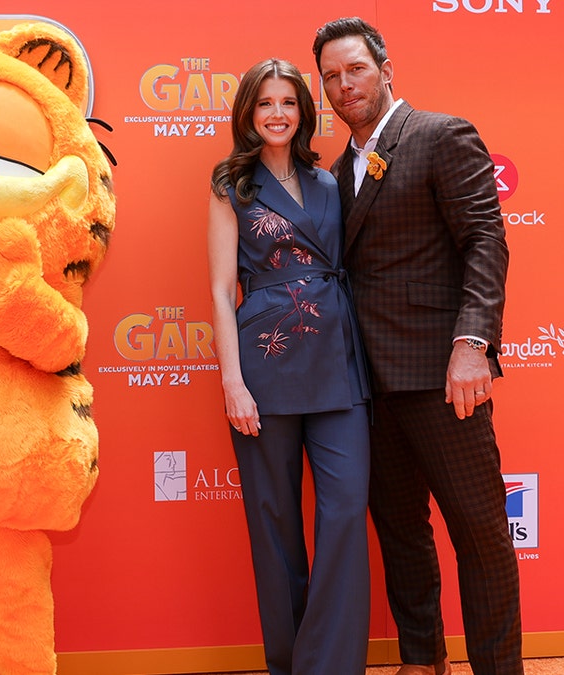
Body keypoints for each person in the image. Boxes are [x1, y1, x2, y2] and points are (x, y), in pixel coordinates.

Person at [312, 17, 522, 675]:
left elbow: (485, 240)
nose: (345, 86)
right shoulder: (332, 172)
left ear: (385, 68)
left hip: (441, 378)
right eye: (332, 77)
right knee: (403, 537)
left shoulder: (439, 135)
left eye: (356, 70)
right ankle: (421, 660)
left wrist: (472, 344)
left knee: (481, 535)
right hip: (367, 391)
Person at [207, 57, 372, 675]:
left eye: (289, 103)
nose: (277, 114)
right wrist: (233, 381)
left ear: (305, 111)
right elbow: (223, 290)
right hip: (266, 367)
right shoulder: (232, 185)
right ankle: (288, 662)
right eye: (265, 103)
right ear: (248, 114)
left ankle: (325, 664)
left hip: (338, 362)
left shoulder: (332, 181)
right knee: (274, 524)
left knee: (346, 510)